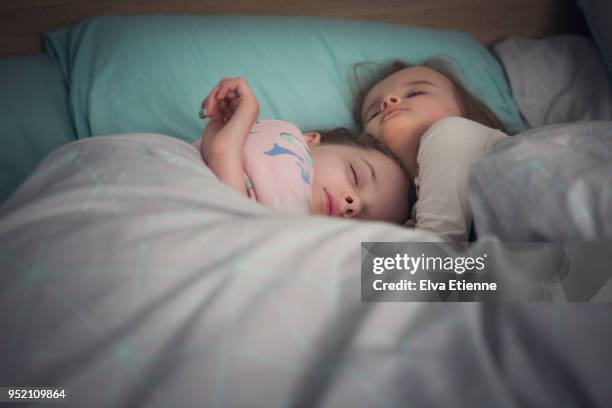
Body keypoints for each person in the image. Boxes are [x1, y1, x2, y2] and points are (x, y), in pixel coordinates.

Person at [197, 76, 411, 224]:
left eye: (364, 221)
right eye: (355, 175)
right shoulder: (281, 139)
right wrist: (227, 148)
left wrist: (224, 154)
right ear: (309, 140)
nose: (353, 204)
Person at [356, 59, 511, 241]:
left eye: (415, 93)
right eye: (373, 113)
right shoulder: (411, 213)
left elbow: (435, 252)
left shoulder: (454, 131)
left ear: (467, 113)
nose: (387, 100)